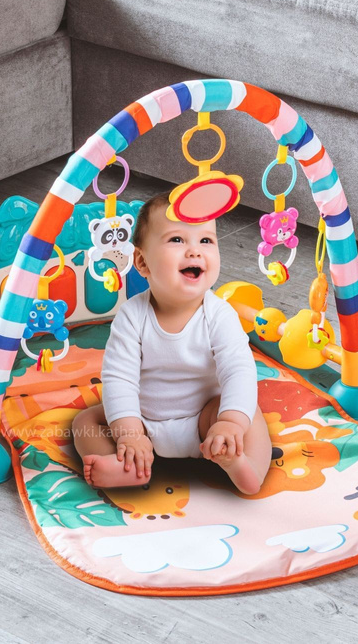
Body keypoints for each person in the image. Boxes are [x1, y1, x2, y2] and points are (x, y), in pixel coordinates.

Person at [72, 193, 273, 495]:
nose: (194, 250)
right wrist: (129, 433)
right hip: (142, 422)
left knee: (247, 412)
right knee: (86, 421)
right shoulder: (131, 316)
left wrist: (230, 422)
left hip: (206, 421)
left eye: (206, 240)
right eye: (177, 240)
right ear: (142, 262)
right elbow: (119, 378)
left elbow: (238, 370)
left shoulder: (220, 314)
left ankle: (246, 467)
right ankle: (128, 467)